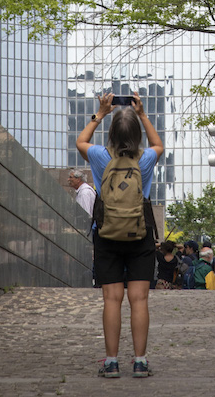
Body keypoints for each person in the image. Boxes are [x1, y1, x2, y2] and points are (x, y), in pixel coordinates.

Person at [76, 91, 163, 380]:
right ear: (136, 134)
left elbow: (81, 141)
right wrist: (143, 114)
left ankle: (112, 362)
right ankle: (140, 362)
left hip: (106, 233)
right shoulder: (147, 158)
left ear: (111, 133)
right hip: (140, 234)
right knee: (139, 300)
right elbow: (158, 144)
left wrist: (99, 113)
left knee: (112, 299)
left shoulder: (100, 156)